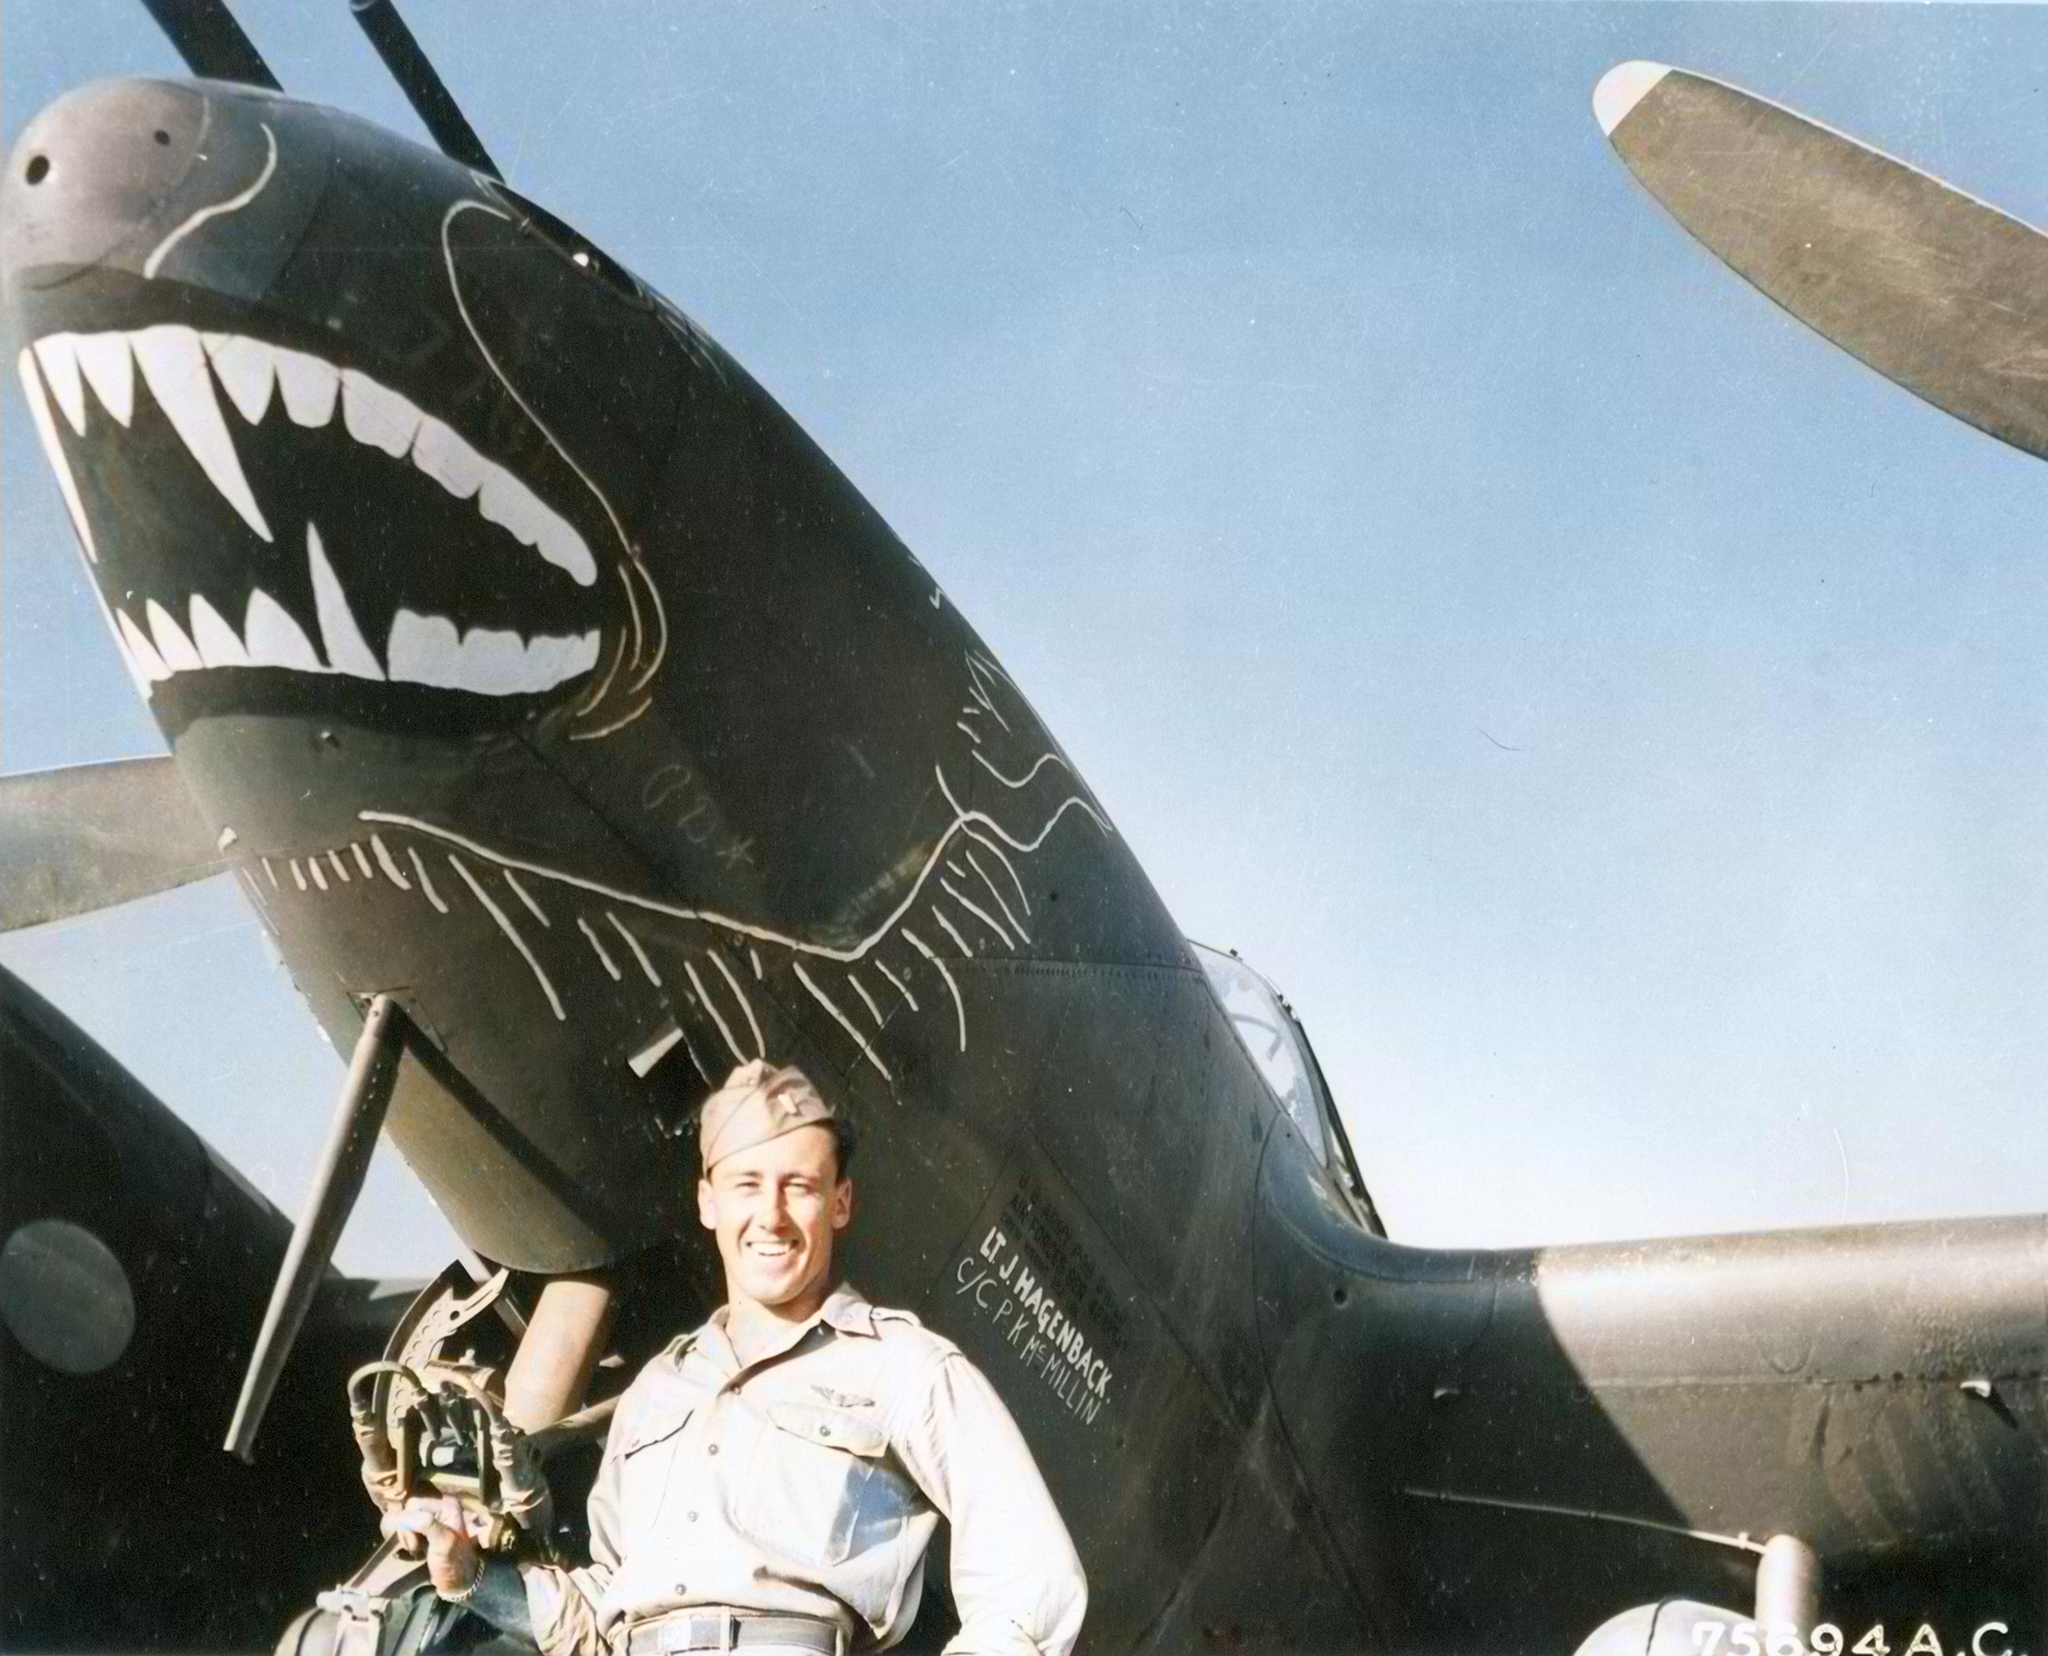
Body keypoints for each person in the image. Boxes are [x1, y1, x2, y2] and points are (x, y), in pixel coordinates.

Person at [387, 1059, 1087, 1656]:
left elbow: (1032, 1586)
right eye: (747, 1186)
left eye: (800, 1187)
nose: (772, 1216)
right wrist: (468, 1575)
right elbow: (599, 1617)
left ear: (840, 1203)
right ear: (707, 1202)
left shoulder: (907, 1368)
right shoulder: (657, 1393)